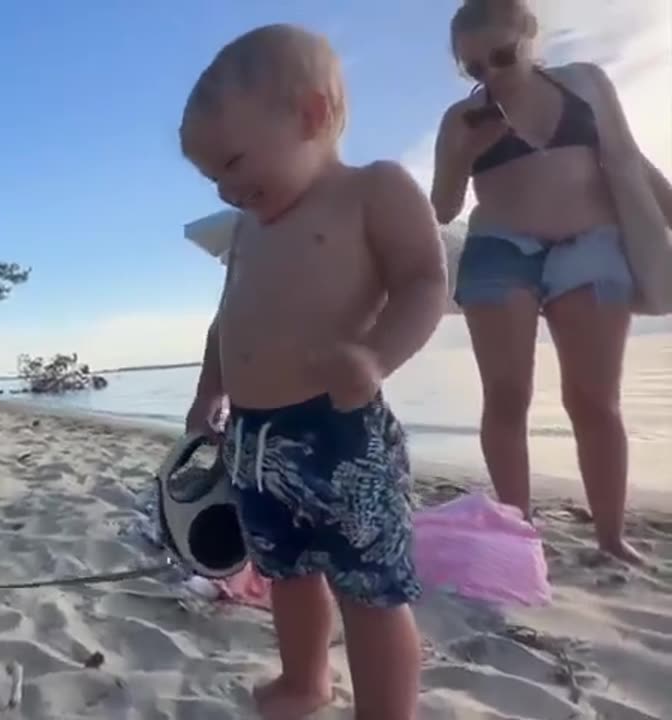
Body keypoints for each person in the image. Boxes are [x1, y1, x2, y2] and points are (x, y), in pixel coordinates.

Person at [180, 23, 448, 720]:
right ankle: (306, 681)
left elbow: (424, 281)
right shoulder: (248, 230)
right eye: (215, 179)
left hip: (340, 431)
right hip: (252, 438)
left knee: (370, 589)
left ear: (312, 114)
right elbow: (226, 318)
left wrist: (377, 355)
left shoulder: (372, 190)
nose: (230, 189)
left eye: (235, 163)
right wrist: (210, 388)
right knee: (286, 573)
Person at [431, 0, 672, 564]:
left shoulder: (585, 84)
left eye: (501, 56)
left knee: (593, 401)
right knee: (507, 396)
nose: (490, 74)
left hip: (590, 246)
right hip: (499, 250)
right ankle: (520, 536)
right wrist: (464, 156)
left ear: (530, 36)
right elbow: (441, 210)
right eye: (474, 69)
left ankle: (611, 539)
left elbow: (631, 160)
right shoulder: (460, 120)